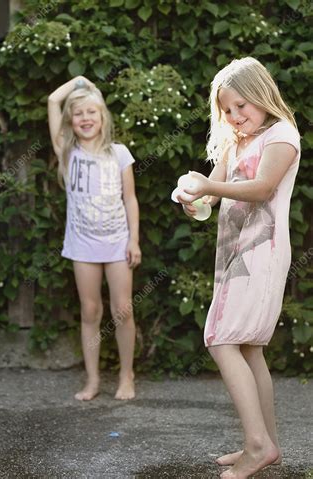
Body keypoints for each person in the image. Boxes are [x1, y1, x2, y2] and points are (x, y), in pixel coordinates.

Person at [177, 57, 301, 478]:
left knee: (220, 337)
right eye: (227, 110)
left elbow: (263, 188)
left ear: (264, 96)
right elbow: (213, 198)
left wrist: (210, 185)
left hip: (261, 253)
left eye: (242, 106)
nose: (235, 116)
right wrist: (195, 198)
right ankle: (269, 444)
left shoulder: (282, 135)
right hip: (234, 254)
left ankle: (257, 446)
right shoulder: (235, 142)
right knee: (249, 347)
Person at [48, 76, 141, 401]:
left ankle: (127, 375)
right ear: (71, 121)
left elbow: (130, 200)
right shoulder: (67, 152)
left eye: (92, 112)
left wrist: (134, 240)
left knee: (123, 309)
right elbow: (52, 102)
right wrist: (76, 82)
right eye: (79, 113)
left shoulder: (119, 153)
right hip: (82, 243)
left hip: (117, 241)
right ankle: (92, 380)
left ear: (103, 117)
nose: (86, 118)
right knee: (90, 311)